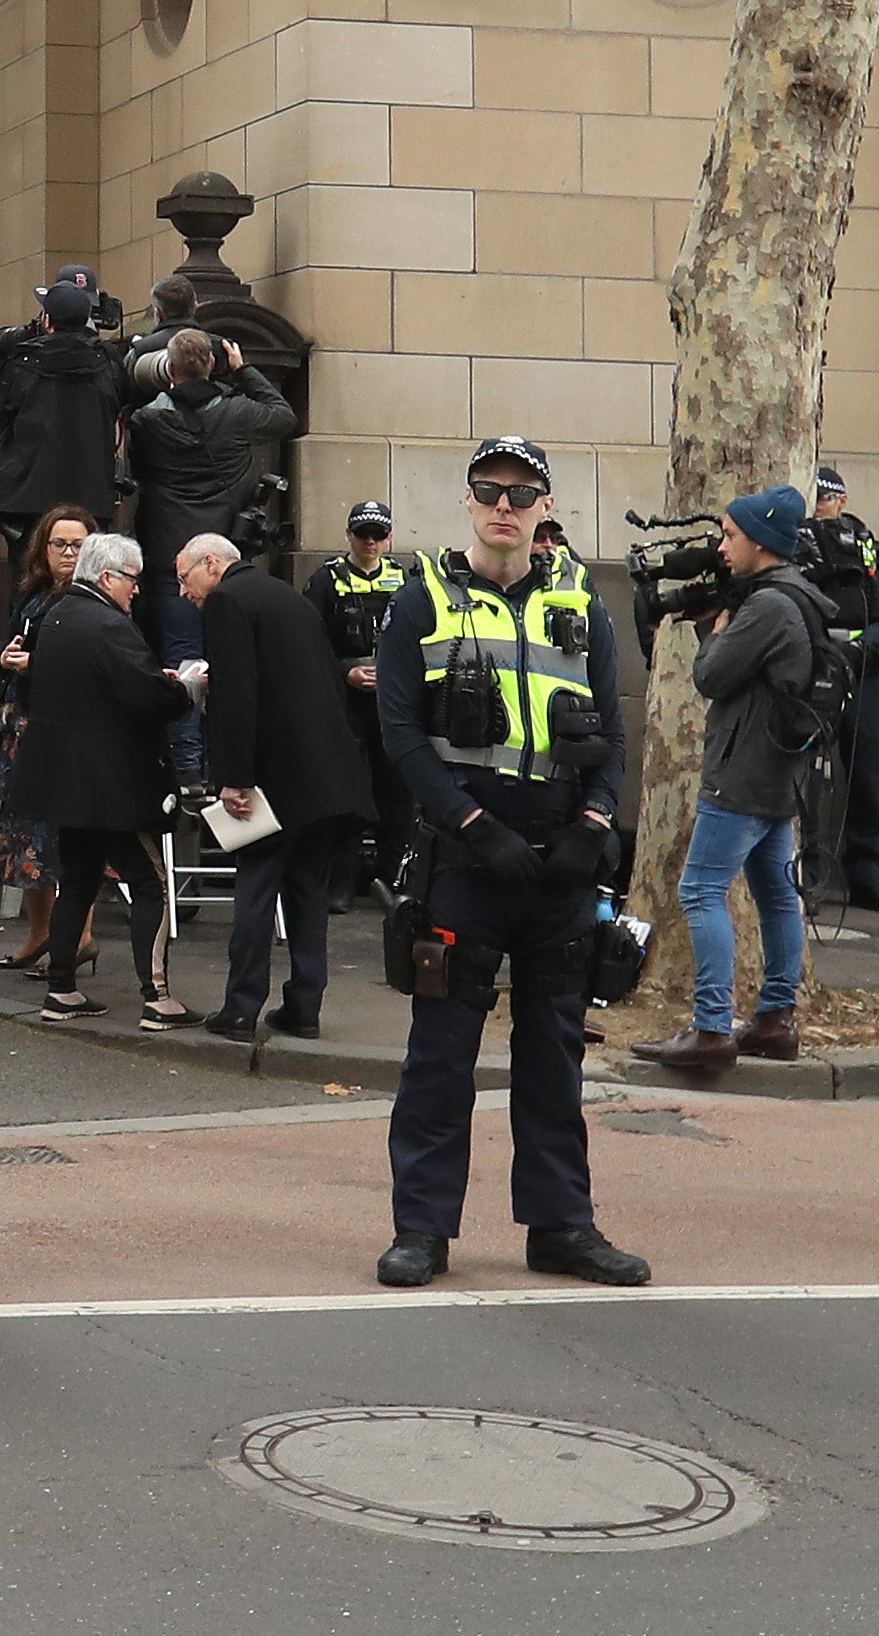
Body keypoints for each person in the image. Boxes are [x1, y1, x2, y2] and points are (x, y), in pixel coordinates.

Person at [366, 435, 651, 1294]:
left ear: (543, 506)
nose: (503, 504)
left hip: (561, 856)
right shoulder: (421, 598)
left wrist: (595, 824)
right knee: (441, 1053)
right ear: (466, 500)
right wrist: (469, 820)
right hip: (465, 855)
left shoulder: (581, 600)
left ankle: (561, 1225)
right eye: (488, 489)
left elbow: (612, 721)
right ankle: (420, 1229)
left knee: (555, 1053)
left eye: (520, 492)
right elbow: (401, 734)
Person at [631, 489, 830, 1084]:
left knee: (699, 891)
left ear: (761, 542)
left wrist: (712, 631)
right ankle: (775, 1019)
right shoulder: (800, 594)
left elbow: (713, 676)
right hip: (777, 770)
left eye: (730, 536)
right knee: (774, 893)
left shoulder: (769, 607)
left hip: (742, 773)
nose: (721, 546)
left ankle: (712, 1026)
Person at [183, 531, 374, 1039]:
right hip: (324, 775)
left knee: (256, 888)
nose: (184, 592)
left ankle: (241, 1007)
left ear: (210, 564)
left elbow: (237, 694)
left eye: (185, 579)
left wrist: (233, 779)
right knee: (306, 891)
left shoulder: (227, 599)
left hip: (274, 776)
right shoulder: (284, 594)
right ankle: (304, 1007)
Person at [13, 530, 191, 1030]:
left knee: (79, 882)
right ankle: (157, 997)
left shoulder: (58, 614)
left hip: (65, 783)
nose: (137, 590)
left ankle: (61, 989)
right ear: (109, 576)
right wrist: (188, 689)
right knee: (151, 883)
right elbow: (148, 698)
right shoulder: (108, 625)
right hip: (113, 784)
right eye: (132, 580)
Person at [122, 320, 299, 651]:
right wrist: (244, 371)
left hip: (166, 548)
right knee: (230, 651)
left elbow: (137, 466)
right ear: (214, 364)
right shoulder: (238, 412)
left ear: (170, 369)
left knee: (181, 652)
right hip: (224, 549)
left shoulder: (146, 421)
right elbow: (283, 416)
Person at [0, 507, 96, 976]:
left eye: (77, 545)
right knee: (25, 840)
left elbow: (95, 664)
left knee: (66, 838)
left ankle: (80, 937)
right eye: (58, 544)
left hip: (66, 733)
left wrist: (37, 665)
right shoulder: (33, 596)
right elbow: (9, 646)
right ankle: (39, 934)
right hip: (22, 730)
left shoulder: (93, 599)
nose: (67, 554)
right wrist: (6, 656)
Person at [0, 276, 125, 564]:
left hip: (28, 502)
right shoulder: (110, 364)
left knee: (29, 582)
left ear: (47, 319)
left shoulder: (22, 363)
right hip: (90, 501)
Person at [807, 467, 879, 910]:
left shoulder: (870, 549)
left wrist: (863, 645)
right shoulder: (797, 545)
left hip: (863, 672)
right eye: (812, 498)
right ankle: (806, 877)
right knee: (807, 776)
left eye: (825, 498)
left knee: (865, 772)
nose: (819, 507)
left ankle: (869, 875)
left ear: (842, 501)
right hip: (811, 671)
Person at [316, 501, 413, 891]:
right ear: (349, 536)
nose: (370, 542)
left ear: (389, 538)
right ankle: (339, 883)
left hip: (393, 700)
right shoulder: (327, 580)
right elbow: (311, 640)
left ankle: (394, 881)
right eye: (363, 534)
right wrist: (344, 673)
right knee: (347, 793)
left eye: (379, 535)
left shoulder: (404, 580)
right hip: (346, 701)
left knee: (398, 794)